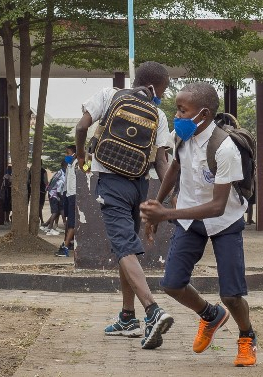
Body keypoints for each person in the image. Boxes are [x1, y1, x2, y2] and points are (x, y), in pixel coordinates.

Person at [142, 81, 258, 367]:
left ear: (203, 114)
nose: (177, 115)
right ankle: (210, 315)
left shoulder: (225, 148)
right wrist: (158, 204)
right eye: (177, 109)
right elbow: (174, 169)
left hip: (224, 221)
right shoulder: (183, 136)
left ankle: (246, 336)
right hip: (188, 220)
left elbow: (218, 206)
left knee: (231, 295)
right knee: (172, 284)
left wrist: (165, 215)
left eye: (182, 110)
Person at [74, 61, 174, 348]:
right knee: (126, 247)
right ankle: (128, 316)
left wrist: (81, 157)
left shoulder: (108, 95)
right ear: (153, 86)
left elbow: (82, 125)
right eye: (163, 90)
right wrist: (167, 198)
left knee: (123, 246)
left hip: (111, 183)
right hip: (139, 186)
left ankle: (152, 310)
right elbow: (161, 160)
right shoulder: (158, 114)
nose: (163, 96)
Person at [57, 147, 78, 257]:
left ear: (74, 153)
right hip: (68, 194)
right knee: (70, 221)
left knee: (72, 223)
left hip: (74, 194)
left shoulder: (77, 164)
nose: (66, 155)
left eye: (68, 153)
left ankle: (65, 246)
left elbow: (86, 169)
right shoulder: (69, 165)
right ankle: (68, 242)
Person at [42, 159, 66, 235]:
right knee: (55, 212)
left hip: (54, 194)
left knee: (59, 210)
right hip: (54, 195)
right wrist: (62, 198)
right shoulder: (61, 176)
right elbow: (59, 190)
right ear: (66, 166)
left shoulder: (60, 173)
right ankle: (50, 227)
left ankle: (49, 225)